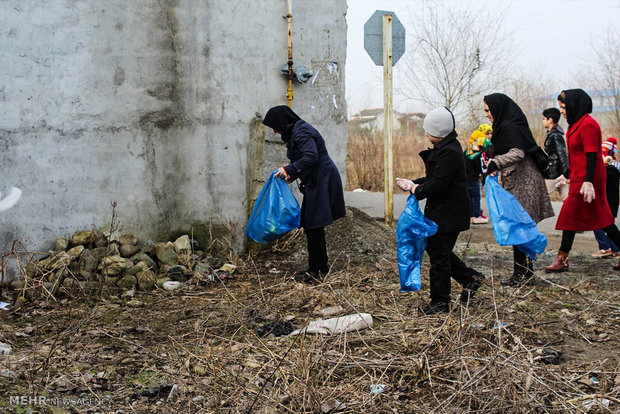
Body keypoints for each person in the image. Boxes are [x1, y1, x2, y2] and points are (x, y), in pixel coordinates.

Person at [396, 106, 484, 315]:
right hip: (445, 212)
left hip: (449, 213)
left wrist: (417, 189)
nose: (426, 134)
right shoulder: (447, 148)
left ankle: (440, 302)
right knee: (438, 251)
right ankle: (470, 278)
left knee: (438, 258)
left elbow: (438, 185)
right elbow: (435, 179)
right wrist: (414, 183)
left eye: (428, 130)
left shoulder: (449, 152)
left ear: (437, 131)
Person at [262, 105, 346, 283]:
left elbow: (311, 157)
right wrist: (292, 175)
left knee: (314, 225)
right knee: (311, 225)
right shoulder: (298, 131)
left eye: (275, 126)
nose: (276, 131)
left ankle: (319, 270)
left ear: (282, 122)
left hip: (322, 180)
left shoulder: (301, 132)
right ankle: (315, 268)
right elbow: (306, 160)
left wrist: (288, 169)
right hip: (316, 180)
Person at [483, 93, 555, 286]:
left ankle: (521, 275)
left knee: (519, 228)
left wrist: (495, 163)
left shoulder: (510, 127)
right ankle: (524, 274)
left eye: (488, 110)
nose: (487, 115)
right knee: (519, 228)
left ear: (497, 108)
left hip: (525, 184)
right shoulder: (509, 125)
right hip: (520, 181)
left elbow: (517, 152)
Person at [545, 89, 620, 273]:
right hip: (580, 177)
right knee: (602, 219)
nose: (562, 111)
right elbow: (575, 156)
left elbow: (591, 155)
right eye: (561, 107)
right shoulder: (575, 124)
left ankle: (562, 259)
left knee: (571, 215)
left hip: (590, 179)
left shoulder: (588, 124)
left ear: (574, 105)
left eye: (564, 107)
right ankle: (562, 259)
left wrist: (588, 181)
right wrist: (567, 175)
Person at [591, 137, 620, 258]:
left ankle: (605, 248)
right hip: (609, 202)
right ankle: (614, 249)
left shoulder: (611, 168)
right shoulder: (609, 167)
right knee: (608, 226)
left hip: (607, 202)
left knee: (599, 224)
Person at [465, 127, 492, 224]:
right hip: (474, 178)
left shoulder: (467, 151)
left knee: (468, 197)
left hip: (465, 178)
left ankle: (469, 215)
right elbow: (483, 169)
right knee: (476, 197)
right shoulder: (478, 155)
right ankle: (476, 216)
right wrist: (488, 164)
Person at [542, 107, 569, 201]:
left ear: (550, 120)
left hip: (554, 172)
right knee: (567, 199)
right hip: (558, 172)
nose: (543, 121)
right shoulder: (552, 134)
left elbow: (563, 155)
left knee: (543, 199)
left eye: (544, 119)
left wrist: (566, 174)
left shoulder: (555, 135)